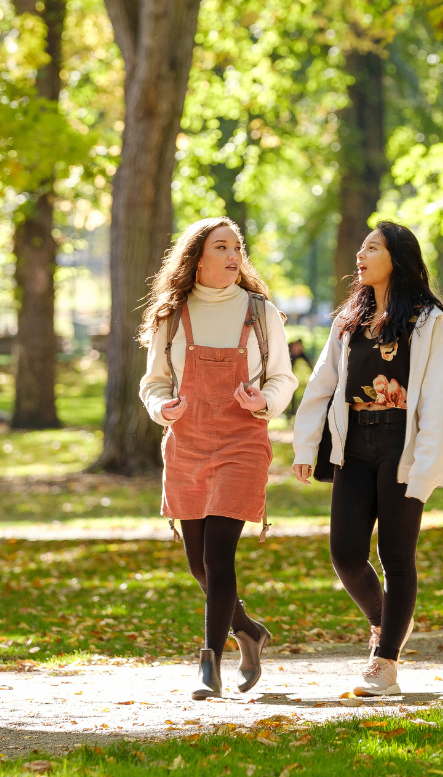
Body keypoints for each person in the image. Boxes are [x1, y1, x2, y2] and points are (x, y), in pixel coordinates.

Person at [291, 220, 443, 697]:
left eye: (372, 248)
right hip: (354, 443)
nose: (360, 255)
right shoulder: (348, 320)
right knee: (345, 554)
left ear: (396, 259)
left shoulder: (428, 321)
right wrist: (305, 446)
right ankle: (386, 624)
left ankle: (385, 663)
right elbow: (322, 384)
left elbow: (436, 403)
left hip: (402, 442)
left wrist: (426, 465)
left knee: (396, 556)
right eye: (360, 247)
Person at [139, 216, 298, 699]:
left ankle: (210, 661)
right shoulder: (172, 314)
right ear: (197, 257)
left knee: (218, 553)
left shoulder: (260, 312)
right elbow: (153, 383)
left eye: (237, 248)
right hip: (187, 440)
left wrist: (264, 403)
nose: (233, 256)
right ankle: (248, 629)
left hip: (242, 441)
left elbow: (283, 379)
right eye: (221, 247)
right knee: (197, 563)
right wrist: (161, 408)